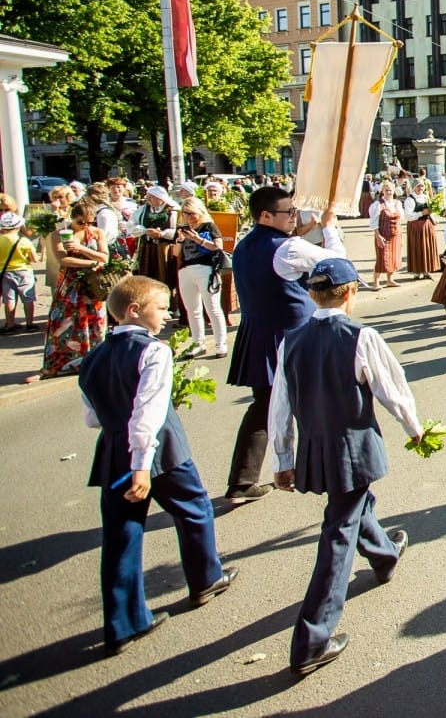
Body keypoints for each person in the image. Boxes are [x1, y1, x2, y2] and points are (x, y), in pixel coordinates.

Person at [268, 258, 422, 676]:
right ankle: (312, 639)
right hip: (351, 445)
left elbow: (279, 404)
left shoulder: (292, 340)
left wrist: (284, 458)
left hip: (316, 446)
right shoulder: (360, 336)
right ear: (350, 292)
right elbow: (391, 386)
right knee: (338, 530)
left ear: (311, 294)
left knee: (352, 507)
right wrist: (414, 427)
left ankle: (385, 554)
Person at [79, 276, 237, 655]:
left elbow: (92, 419)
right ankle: (205, 578)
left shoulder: (92, 358)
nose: (167, 316)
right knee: (195, 508)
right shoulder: (154, 352)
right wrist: (141, 464)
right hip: (158, 451)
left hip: (114, 448)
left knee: (121, 534)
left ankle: (123, 622)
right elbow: (147, 412)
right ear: (135, 310)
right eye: (161, 308)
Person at [224, 187, 344, 504]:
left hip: (260, 334)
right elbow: (338, 265)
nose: (294, 218)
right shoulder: (286, 248)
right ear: (266, 215)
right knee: (317, 403)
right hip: (291, 336)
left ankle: (242, 482)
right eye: (288, 213)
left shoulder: (244, 245)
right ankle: (328, 472)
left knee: (263, 407)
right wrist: (329, 227)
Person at [27, 203, 110, 382]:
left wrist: (81, 249)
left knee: (94, 322)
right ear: (72, 218)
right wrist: (92, 262)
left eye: (89, 222)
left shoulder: (97, 233)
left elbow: (105, 256)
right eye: (81, 222)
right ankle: (56, 365)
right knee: (62, 322)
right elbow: (63, 259)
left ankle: (93, 362)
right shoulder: (59, 234)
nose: (86, 226)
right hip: (70, 284)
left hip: (93, 285)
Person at [172, 197, 227, 358]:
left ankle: (220, 342)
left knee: (212, 307)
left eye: (192, 214)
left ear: (200, 212)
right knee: (192, 310)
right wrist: (180, 240)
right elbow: (176, 253)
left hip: (206, 269)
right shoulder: (183, 229)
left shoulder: (209, 226)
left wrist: (198, 239)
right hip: (186, 270)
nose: (189, 218)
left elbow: (218, 247)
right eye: (185, 214)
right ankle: (198, 342)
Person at [0, 213, 39, 333]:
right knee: (28, 298)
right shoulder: (23, 240)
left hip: (5, 272)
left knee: (9, 299)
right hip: (24, 271)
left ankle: (10, 324)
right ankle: (30, 323)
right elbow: (34, 259)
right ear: (18, 227)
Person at [368, 181, 404, 289]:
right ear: (382, 191)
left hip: (395, 235)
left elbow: (400, 219)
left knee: (394, 257)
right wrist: (378, 235)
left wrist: (400, 235)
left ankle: (390, 280)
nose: (389, 192)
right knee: (382, 259)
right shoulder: (378, 204)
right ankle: (375, 282)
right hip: (383, 235)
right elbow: (373, 222)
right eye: (386, 190)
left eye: (390, 190)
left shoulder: (397, 203)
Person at [403, 181, 441, 280]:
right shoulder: (410, 199)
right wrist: (421, 213)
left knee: (427, 247)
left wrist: (433, 218)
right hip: (416, 226)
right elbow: (408, 216)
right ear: (414, 187)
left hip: (427, 225)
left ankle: (427, 270)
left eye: (422, 186)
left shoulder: (426, 197)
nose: (420, 188)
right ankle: (417, 270)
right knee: (418, 248)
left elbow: (429, 211)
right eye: (418, 186)